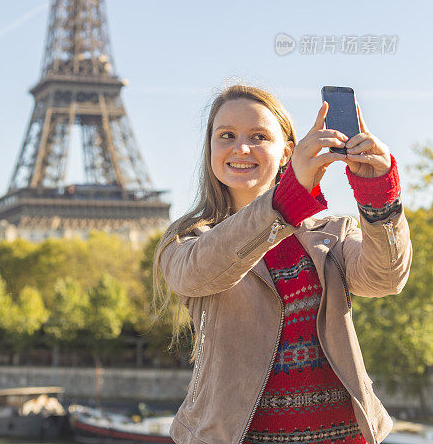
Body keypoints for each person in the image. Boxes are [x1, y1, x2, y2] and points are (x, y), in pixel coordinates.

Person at [152, 84, 412, 444]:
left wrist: (378, 194)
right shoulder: (187, 241)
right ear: (210, 147)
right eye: (226, 135)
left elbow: (385, 279)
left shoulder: (331, 234)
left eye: (259, 136)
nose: (240, 148)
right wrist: (289, 197)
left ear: (288, 152)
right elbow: (199, 273)